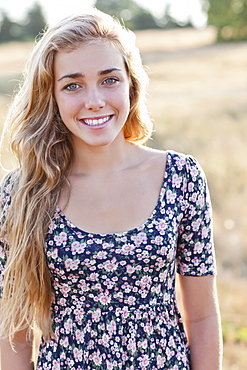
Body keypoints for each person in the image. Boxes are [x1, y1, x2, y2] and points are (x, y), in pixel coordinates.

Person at [0, 9, 222, 370]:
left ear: (131, 85)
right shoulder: (22, 193)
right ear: (51, 96)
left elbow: (202, 318)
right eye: (72, 84)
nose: (94, 101)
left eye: (109, 80)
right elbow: (15, 332)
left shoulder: (180, 177)